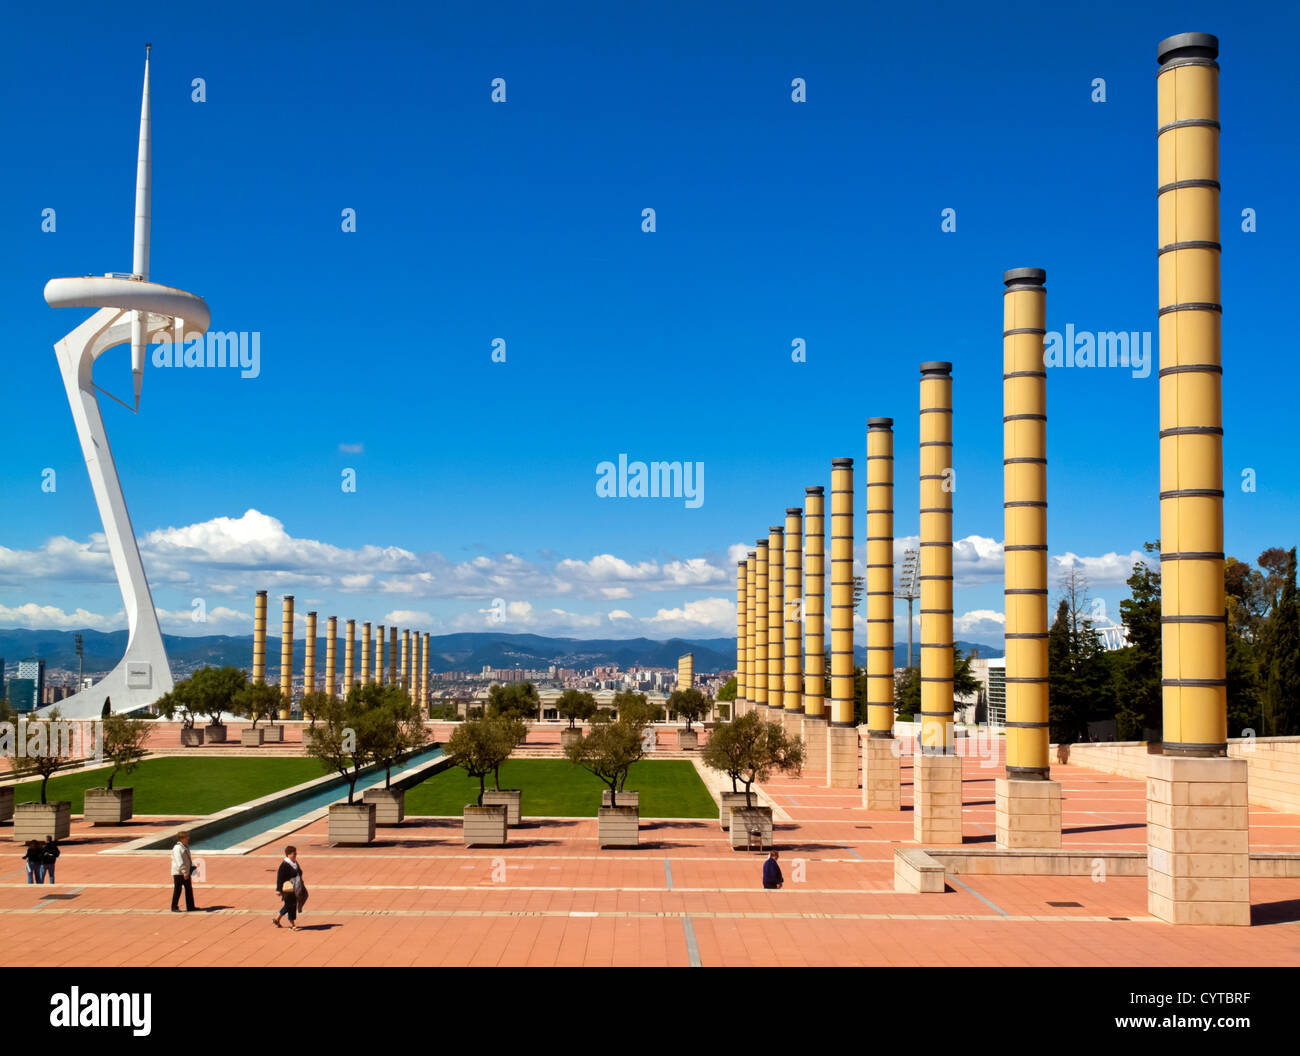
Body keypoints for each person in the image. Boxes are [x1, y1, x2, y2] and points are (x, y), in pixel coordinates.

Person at [272, 845, 303, 930]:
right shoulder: (284, 865)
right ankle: (293, 925)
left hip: (295, 888)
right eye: (294, 854)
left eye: (296, 853)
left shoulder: (294, 863)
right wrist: (278, 890)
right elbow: (280, 878)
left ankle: (277, 919)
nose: (295, 855)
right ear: (288, 855)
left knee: (288, 905)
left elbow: (299, 872)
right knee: (291, 906)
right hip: (287, 889)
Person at [170, 830, 198, 912]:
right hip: (179, 873)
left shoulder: (185, 846)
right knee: (178, 890)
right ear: (182, 838)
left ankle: (190, 906)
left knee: (189, 889)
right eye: (186, 837)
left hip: (186, 871)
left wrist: (191, 866)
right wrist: (184, 872)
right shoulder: (177, 848)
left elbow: (187, 859)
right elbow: (179, 861)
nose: (188, 838)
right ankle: (174, 907)